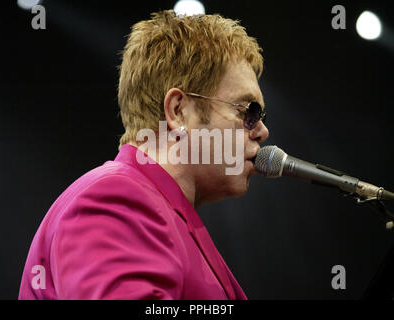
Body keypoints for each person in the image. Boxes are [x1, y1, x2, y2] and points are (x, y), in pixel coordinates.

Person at [19, 9, 269, 300]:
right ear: (179, 111)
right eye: (248, 111)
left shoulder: (158, 209)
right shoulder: (116, 199)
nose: (262, 131)